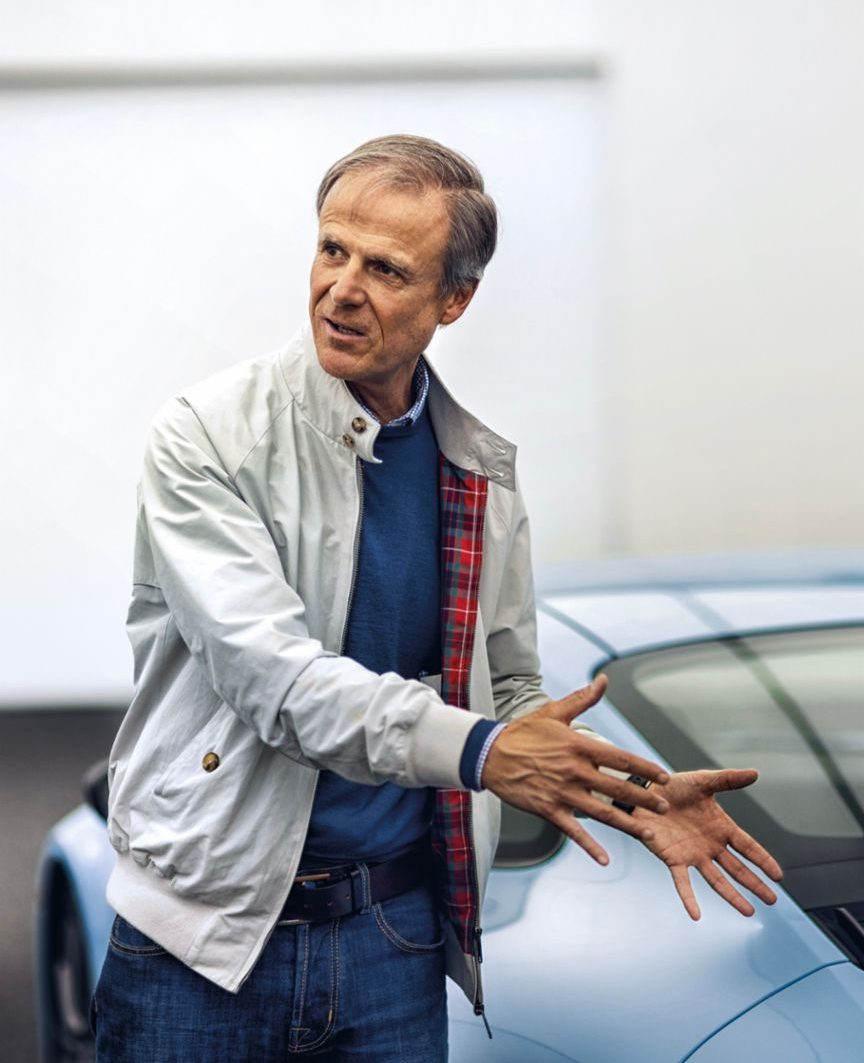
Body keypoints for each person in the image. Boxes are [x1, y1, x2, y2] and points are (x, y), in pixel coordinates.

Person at [92, 134, 782, 1062]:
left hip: (395, 934)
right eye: (332, 249)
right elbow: (275, 682)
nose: (341, 288)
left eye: (385, 269)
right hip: (201, 942)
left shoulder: (477, 470)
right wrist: (485, 751)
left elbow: (509, 690)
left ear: (454, 300)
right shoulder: (206, 437)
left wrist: (633, 794)